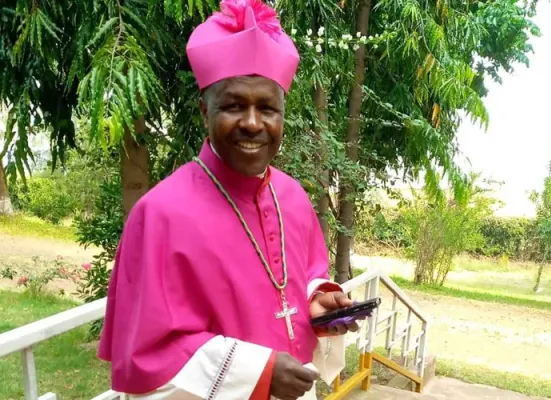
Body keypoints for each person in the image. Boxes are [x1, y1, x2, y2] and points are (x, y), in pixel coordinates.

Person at [97, 1, 360, 399]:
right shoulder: (159, 214)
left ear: (282, 117)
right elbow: (145, 356)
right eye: (234, 105)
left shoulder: (292, 196)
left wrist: (318, 304)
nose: (253, 123)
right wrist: (258, 372)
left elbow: (301, 280)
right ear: (205, 111)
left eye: (267, 108)